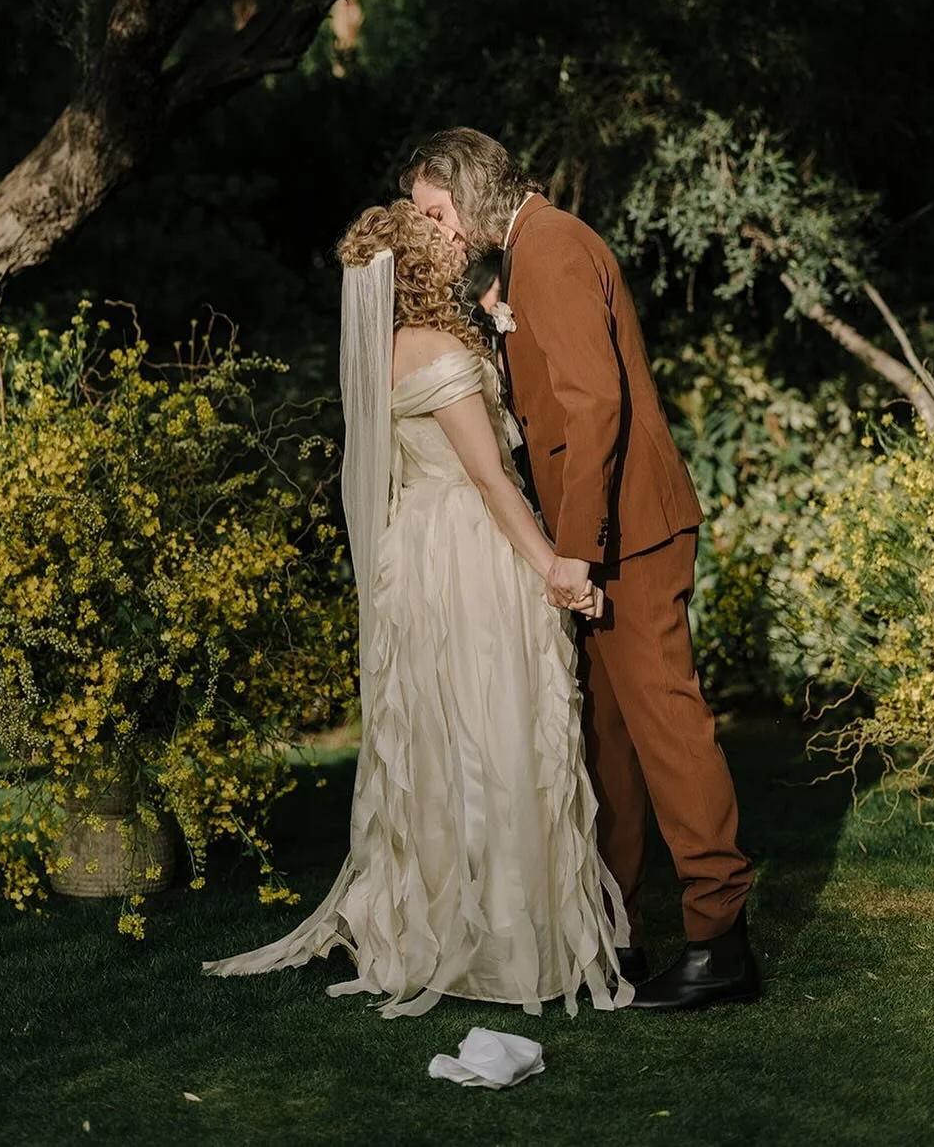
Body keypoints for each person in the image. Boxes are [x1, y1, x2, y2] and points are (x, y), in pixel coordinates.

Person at [203, 200, 634, 1019]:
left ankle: (446, 922)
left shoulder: (394, 351)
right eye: (438, 238)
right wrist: (555, 570)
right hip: (471, 550)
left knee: (447, 735)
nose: (454, 240)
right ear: (418, 267)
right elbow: (490, 477)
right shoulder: (437, 351)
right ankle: (504, 936)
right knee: (493, 728)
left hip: (419, 552)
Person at [403, 127, 759, 1013]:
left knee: (667, 726)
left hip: (625, 535)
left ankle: (720, 940)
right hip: (603, 533)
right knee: (607, 740)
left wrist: (576, 548)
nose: (434, 233)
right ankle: (616, 928)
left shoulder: (553, 244)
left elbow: (595, 405)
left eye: (437, 213)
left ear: (473, 192)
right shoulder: (524, 254)